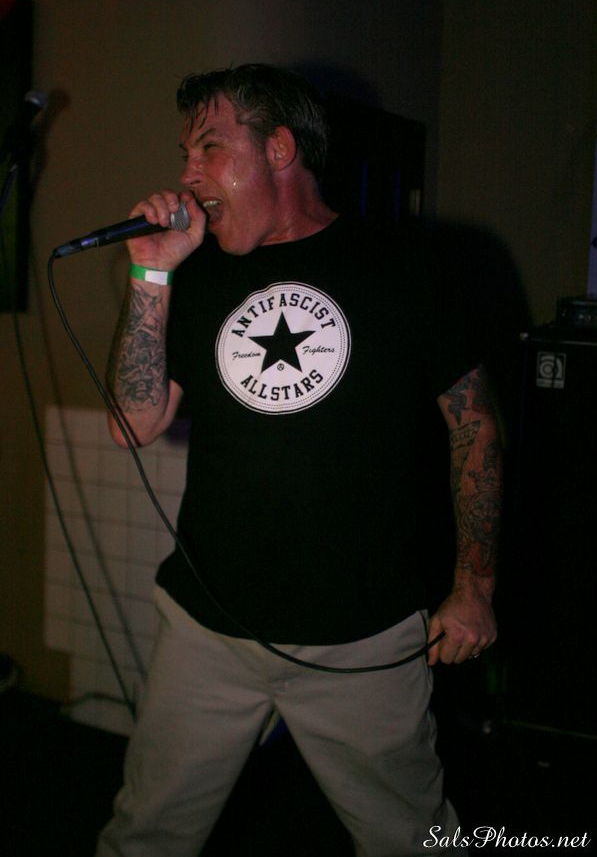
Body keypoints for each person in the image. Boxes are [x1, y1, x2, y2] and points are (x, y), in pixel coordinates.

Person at [97, 63, 500, 857]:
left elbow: (476, 428)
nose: (188, 175)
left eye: (210, 149)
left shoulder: (409, 263)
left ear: (279, 149)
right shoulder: (197, 273)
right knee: (148, 833)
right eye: (184, 155)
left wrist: (474, 586)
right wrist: (150, 270)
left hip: (364, 639)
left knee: (411, 840)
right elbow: (131, 424)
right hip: (208, 629)